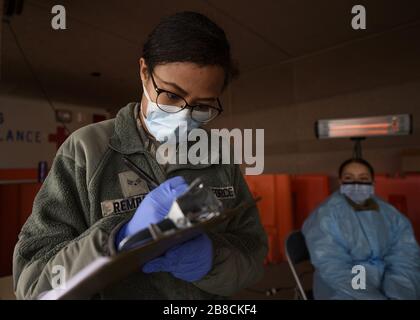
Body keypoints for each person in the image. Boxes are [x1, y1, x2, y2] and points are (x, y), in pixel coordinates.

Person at [13, 11, 268, 299]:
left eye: (202, 106)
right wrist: (117, 239)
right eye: (171, 95)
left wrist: (212, 260)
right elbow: (34, 285)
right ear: (145, 72)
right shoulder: (86, 151)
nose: (184, 117)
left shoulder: (218, 155)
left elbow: (253, 255)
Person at [302, 158, 420, 300]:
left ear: (373, 183)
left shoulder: (389, 213)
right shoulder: (326, 215)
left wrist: (397, 290)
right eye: (349, 178)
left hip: (385, 279)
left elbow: (404, 255)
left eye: (363, 178)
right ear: (340, 182)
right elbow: (333, 265)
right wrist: (372, 296)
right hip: (344, 289)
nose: (356, 184)